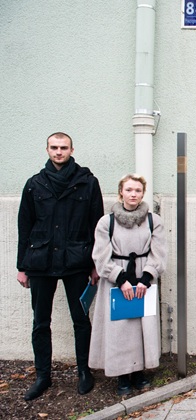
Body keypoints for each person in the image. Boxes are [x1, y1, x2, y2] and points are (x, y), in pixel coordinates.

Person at [16, 132, 104, 400]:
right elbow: (25, 227)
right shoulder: (34, 184)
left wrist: (95, 264)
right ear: (47, 150)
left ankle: (84, 372)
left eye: (63, 148)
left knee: (81, 320)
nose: (58, 152)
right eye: (54, 148)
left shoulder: (87, 182)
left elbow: (97, 226)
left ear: (71, 149)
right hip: (40, 263)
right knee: (40, 322)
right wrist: (22, 266)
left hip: (77, 262)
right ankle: (43, 376)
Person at [89, 174, 166, 395]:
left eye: (138, 191)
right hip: (116, 281)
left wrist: (146, 278)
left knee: (143, 326)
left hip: (144, 280)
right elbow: (101, 255)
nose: (133, 194)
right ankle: (122, 375)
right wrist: (120, 279)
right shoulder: (107, 222)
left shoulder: (154, 220)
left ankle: (139, 372)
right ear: (121, 191)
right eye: (129, 190)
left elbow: (159, 252)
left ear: (143, 193)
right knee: (119, 328)